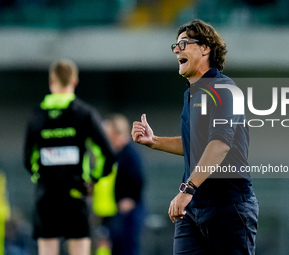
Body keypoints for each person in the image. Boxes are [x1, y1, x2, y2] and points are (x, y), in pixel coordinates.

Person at [131, 19, 259, 254]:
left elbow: (219, 144)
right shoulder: (190, 95)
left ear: (205, 47)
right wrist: (154, 141)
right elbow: (196, 145)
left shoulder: (223, 89)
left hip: (228, 206)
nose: (176, 50)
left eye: (183, 43)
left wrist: (187, 189)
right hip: (193, 209)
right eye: (175, 46)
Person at [23, 59, 117, 255]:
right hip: (75, 194)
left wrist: (41, 178)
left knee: (47, 249)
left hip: (46, 195)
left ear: (51, 80)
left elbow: (28, 159)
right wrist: (92, 179)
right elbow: (107, 154)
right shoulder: (84, 114)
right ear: (74, 81)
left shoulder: (37, 115)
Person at [99, 114, 145, 255]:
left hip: (130, 212)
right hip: (118, 211)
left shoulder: (129, 154)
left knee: (128, 248)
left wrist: (130, 198)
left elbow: (139, 178)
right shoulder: (118, 155)